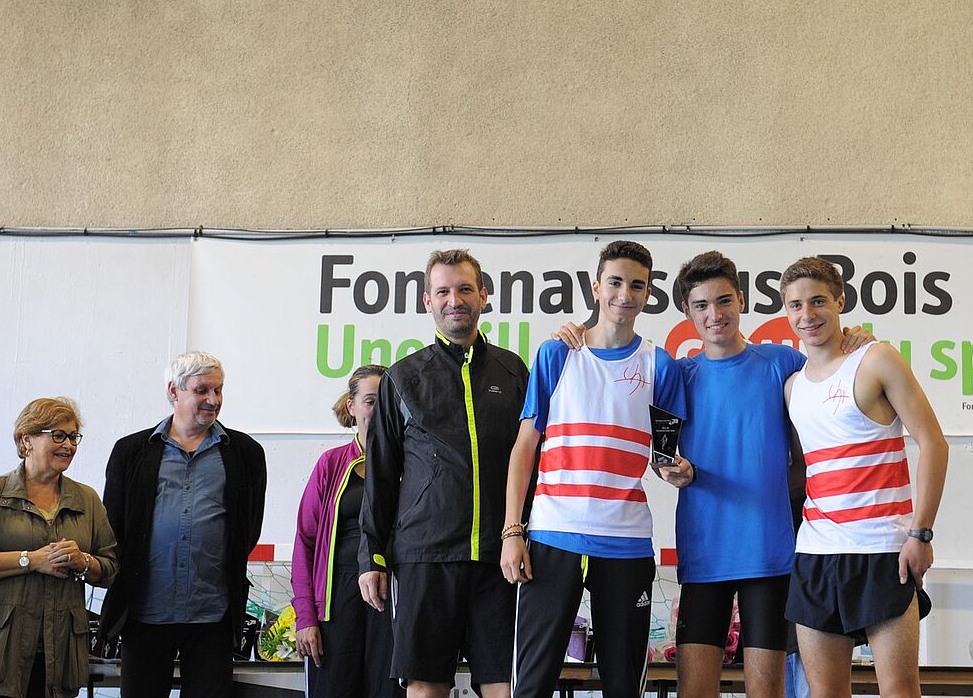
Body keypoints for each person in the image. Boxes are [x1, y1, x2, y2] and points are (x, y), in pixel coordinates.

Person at [552, 251, 870, 698]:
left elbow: (830, 376)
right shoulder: (675, 373)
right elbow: (661, 455)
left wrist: (855, 340)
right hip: (704, 556)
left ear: (741, 299)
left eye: (723, 301)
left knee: (766, 693)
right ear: (687, 311)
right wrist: (673, 470)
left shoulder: (782, 362)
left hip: (770, 556)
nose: (715, 314)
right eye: (701, 305)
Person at [502, 240, 689, 698]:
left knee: (623, 685)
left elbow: (664, 456)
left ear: (648, 294)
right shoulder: (556, 354)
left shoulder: (660, 365)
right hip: (552, 537)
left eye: (637, 286)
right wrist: (512, 531)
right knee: (531, 684)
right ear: (596, 287)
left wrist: (678, 471)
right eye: (616, 282)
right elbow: (525, 446)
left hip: (626, 543)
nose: (625, 294)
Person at [357, 249, 528, 698]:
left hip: (499, 558)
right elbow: (380, 476)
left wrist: (524, 535)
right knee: (425, 686)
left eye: (465, 289)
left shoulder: (513, 371)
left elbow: (533, 462)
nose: (455, 300)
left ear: (483, 296)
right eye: (444, 291)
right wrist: (372, 557)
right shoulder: (402, 378)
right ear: (428, 301)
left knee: (504, 686)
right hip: (424, 559)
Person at [780, 257, 949, 698]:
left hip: (882, 551)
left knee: (899, 690)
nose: (807, 314)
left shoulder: (877, 359)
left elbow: (933, 443)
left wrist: (921, 534)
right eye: (796, 305)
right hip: (816, 554)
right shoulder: (793, 387)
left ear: (840, 301)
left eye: (818, 301)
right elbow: (802, 471)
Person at [101, 350, 268, 698]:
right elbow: (113, 526)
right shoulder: (131, 452)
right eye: (202, 390)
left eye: (218, 390)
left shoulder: (245, 453)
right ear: (173, 391)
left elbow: (248, 529)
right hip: (144, 612)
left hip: (213, 615)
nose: (213, 400)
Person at [0, 397, 118, 698]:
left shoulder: (87, 500)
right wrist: (30, 560)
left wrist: (82, 561)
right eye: (58, 435)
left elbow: (109, 569)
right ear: (26, 439)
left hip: (59, 658)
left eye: (73, 437)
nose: (68, 445)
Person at [292, 364, 399, 698]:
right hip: (336, 602)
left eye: (386, 401)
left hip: (392, 600)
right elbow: (305, 542)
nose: (378, 410)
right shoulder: (330, 464)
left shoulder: (410, 466)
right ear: (352, 407)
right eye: (370, 401)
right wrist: (306, 617)